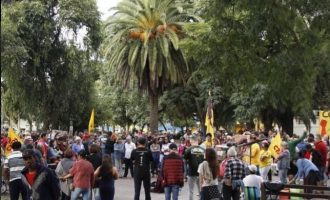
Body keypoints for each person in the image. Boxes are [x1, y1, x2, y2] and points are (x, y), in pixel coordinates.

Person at [184, 134, 205, 200]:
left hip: (191, 172)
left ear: (192, 140)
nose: (189, 141)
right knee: (201, 190)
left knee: (191, 190)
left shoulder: (188, 150)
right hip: (201, 173)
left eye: (190, 140)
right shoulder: (203, 150)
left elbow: (185, 160)